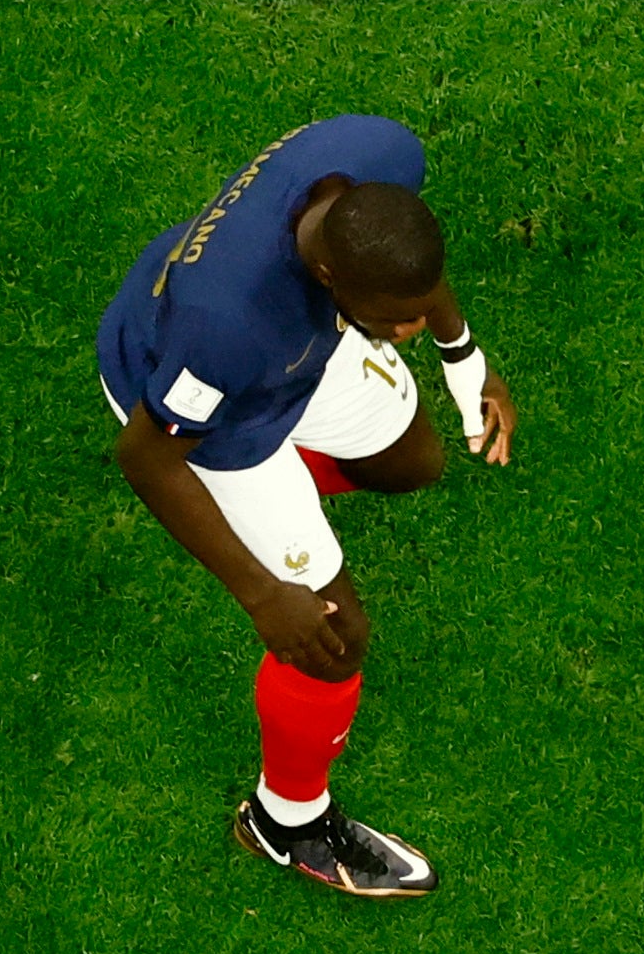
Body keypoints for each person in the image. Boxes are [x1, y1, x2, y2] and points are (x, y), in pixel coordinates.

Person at [94, 114, 519, 899]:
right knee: (331, 637)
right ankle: (284, 822)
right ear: (329, 277)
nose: (408, 330)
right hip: (216, 418)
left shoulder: (378, 156)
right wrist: (262, 594)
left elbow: (408, 263)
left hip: (301, 352)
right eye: (394, 319)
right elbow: (147, 458)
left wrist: (464, 356)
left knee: (413, 461)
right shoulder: (225, 326)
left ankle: (277, 501)